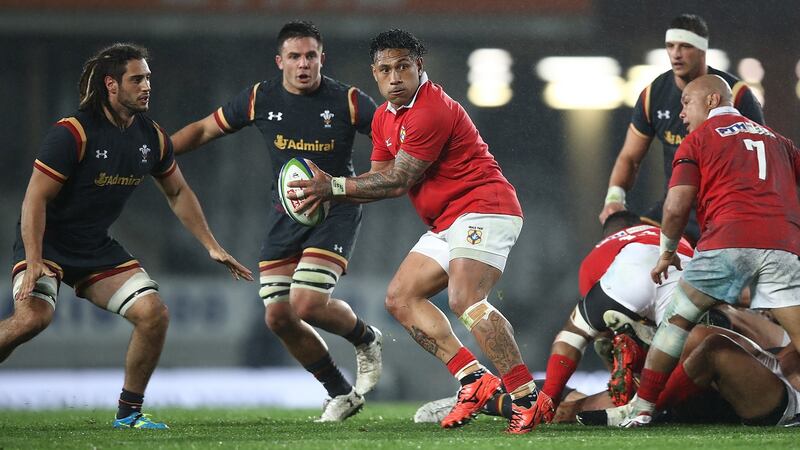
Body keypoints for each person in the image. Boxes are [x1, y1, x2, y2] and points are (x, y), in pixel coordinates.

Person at [288, 28, 539, 434]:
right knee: (400, 298)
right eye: (385, 69)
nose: (394, 77)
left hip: (485, 207)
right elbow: (377, 180)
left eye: (403, 66)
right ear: (375, 74)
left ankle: (526, 397)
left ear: (418, 66)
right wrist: (329, 195)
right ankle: (474, 381)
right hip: (447, 221)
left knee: (465, 299)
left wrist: (332, 186)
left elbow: (399, 179)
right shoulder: (387, 117)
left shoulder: (430, 108)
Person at [1, 43, 253, 429]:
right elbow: (34, 199)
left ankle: (129, 414)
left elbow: (178, 192)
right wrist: (35, 259)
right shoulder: (72, 133)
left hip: (94, 246)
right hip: (47, 242)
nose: (147, 85)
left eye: (148, 77)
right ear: (111, 85)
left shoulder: (150, 137)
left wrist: (211, 245)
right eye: (137, 78)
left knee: (153, 314)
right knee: (32, 320)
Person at [170, 21, 382, 422]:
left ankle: (366, 338)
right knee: (278, 316)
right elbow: (202, 129)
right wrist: (158, 155)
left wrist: (357, 184)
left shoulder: (349, 101)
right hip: (286, 213)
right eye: (295, 57)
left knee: (305, 302)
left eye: (311, 56)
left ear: (323, 58)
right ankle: (341, 392)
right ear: (280, 61)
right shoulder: (258, 98)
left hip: (334, 210)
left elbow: (394, 142)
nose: (304, 64)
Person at [616, 74, 800, 428]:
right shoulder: (778, 140)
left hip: (727, 242)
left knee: (676, 320)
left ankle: (641, 408)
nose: (681, 114)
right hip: (782, 245)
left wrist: (667, 253)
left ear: (713, 101)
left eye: (686, 103)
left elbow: (675, 206)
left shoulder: (699, 139)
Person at [598, 13, 764, 244]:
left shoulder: (738, 95)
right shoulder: (653, 95)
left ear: (703, 51)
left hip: (724, 212)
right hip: (675, 207)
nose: (676, 53)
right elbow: (629, 156)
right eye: (670, 46)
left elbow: (760, 157)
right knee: (620, 244)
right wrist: (614, 198)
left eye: (685, 46)